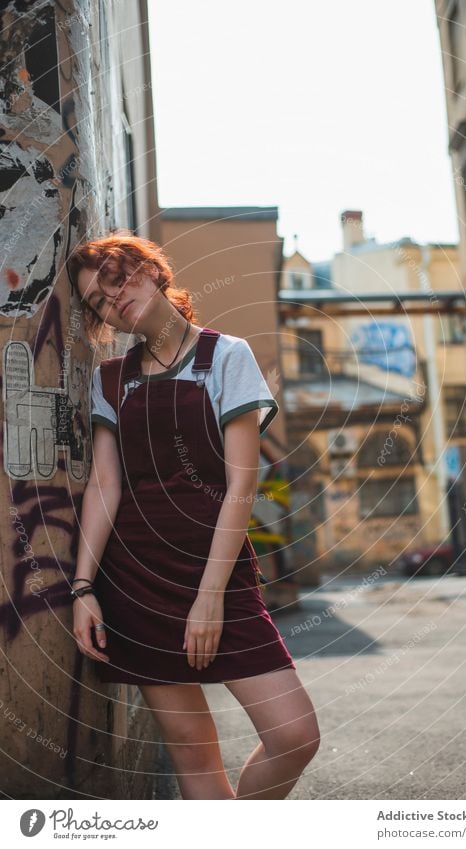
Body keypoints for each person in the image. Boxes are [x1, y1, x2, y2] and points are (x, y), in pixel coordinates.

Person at [67, 232, 320, 800]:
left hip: (219, 574)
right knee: (194, 756)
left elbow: (240, 485)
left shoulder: (226, 356)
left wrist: (209, 596)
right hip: (136, 579)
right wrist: (84, 586)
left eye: (118, 278)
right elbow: (106, 485)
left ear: (151, 270)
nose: (114, 299)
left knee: (295, 735)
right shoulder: (111, 380)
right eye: (99, 301)